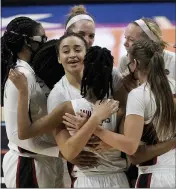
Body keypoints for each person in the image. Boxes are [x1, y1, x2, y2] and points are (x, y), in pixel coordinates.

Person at [8, 44, 130, 188]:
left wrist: (23, 92)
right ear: (112, 76)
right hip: (120, 179)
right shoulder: (122, 109)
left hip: (86, 180)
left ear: (83, 71)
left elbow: (24, 133)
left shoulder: (69, 107)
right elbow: (132, 147)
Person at [63, 39, 176, 187]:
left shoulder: (139, 94)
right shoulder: (172, 85)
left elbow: (131, 148)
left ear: (134, 64)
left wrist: (92, 126)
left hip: (154, 176)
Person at [2, 17, 64, 188]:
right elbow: (15, 135)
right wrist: (59, 151)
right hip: (27, 164)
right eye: (42, 39)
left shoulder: (32, 70)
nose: (46, 43)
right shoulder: (20, 76)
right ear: (26, 42)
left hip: (47, 159)